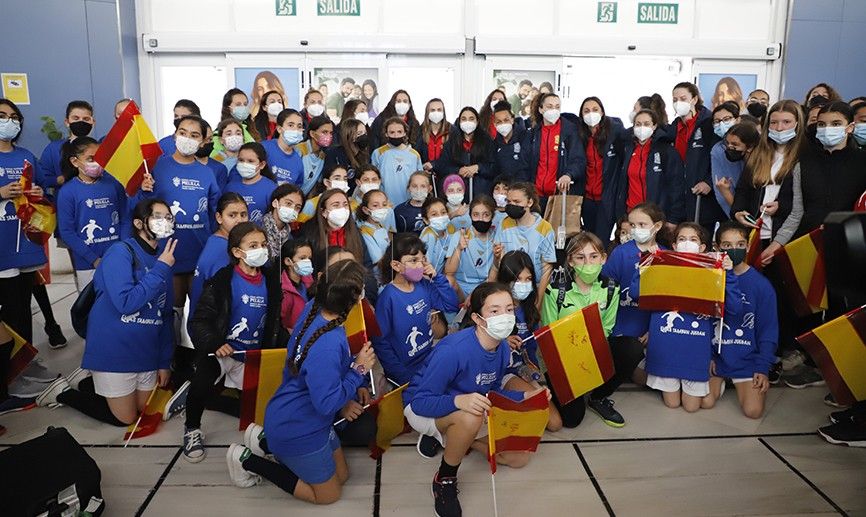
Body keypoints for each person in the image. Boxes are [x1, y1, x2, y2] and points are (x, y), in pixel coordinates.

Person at [225, 260, 375, 505]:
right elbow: (327, 404)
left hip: (299, 414)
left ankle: (264, 441)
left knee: (343, 476)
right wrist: (359, 370)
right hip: (299, 428)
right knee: (329, 496)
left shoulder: (313, 307)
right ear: (355, 299)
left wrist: (353, 373)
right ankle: (248, 461)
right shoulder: (328, 343)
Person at [403, 282, 541, 517]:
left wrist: (526, 395)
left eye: (509, 309)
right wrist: (459, 402)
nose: (505, 316)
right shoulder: (453, 350)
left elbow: (492, 391)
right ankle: (445, 479)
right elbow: (420, 402)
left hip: (469, 407)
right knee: (470, 417)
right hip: (423, 408)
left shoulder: (502, 348)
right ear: (477, 318)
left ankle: (451, 438)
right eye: (494, 311)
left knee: (519, 458)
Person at [36, 199, 176, 426]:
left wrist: (164, 361)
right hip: (114, 347)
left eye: (169, 217)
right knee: (126, 418)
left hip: (145, 349)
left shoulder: (164, 259)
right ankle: (62, 393)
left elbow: (166, 313)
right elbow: (125, 303)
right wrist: (161, 269)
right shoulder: (120, 252)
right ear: (139, 223)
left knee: (145, 410)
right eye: (158, 217)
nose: (165, 222)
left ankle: (87, 382)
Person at [180, 222, 282, 462]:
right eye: (253, 246)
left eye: (264, 245)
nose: (261, 250)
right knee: (201, 384)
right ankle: (192, 428)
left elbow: (273, 321)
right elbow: (200, 320)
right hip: (222, 352)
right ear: (237, 252)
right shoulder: (222, 281)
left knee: (262, 402)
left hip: (252, 354)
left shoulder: (271, 281)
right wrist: (215, 343)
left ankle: (262, 435)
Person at [635, 222, 741, 412]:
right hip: (666, 347)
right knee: (672, 403)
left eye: (693, 239)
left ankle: (716, 381)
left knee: (692, 407)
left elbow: (734, 308)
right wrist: (646, 265)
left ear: (702, 247)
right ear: (674, 245)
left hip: (695, 349)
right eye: (682, 239)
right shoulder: (662, 266)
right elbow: (636, 293)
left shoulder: (712, 271)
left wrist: (729, 274)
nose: (687, 243)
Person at [142, 115, 221, 360]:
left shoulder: (207, 173)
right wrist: (144, 191)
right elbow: (142, 208)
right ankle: (172, 359)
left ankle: (199, 361)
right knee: (171, 311)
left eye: (194, 135)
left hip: (199, 252)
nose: (187, 138)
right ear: (175, 134)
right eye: (183, 132)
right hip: (168, 251)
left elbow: (213, 211)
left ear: (203, 141)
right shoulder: (157, 167)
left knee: (199, 311)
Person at [541, 232, 628, 427]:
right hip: (565, 357)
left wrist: (591, 353)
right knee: (572, 420)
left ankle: (598, 396)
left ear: (603, 258)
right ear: (571, 261)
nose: (588, 263)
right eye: (580, 257)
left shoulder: (611, 288)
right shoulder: (555, 290)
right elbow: (549, 333)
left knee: (631, 348)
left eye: (593, 256)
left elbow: (607, 328)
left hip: (594, 349)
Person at [703, 221, 778, 419]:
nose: (734, 249)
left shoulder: (761, 285)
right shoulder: (710, 278)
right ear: (717, 247)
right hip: (717, 358)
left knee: (753, 412)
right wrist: (708, 355)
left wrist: (763, 367)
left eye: (740, 244)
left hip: (747, 359)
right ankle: (721, 382)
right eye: (727, 245)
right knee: (705, 402)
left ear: (748, 246)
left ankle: (738, 381)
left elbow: (768, 330)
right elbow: (705, 321)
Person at [374, 234, 459, 385]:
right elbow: (381, 343)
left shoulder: (424, 285)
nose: (420, 265)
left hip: (429, 358)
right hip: (406, 369)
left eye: (422, 260)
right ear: (396, 265)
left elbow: (451, 305)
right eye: (413, 261)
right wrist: (402, 376)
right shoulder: (387, 298)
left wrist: (437, 278)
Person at [601, 203, 669, 388]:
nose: (636, 229)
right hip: (623, 325)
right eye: (632, 225)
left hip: (653, 327)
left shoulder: (667, 256)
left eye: (642, 224)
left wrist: (653, 330)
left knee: (660, 377)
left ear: (657, 226)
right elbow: (606, 290)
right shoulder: (620, 253)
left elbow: (668, 301)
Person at [731, 100, 805, 264]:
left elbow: (806, 200)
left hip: (786, 237)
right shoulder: (758, 154)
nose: (779, 128)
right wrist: (737, 212)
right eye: (774, 122)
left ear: (797, 124)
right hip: (755, 234)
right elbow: (742, 190)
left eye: (786, 122)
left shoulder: (805, 157)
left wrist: (782, 206)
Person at [0, 98, 47, 350]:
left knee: (23, 305)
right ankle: (8, 360)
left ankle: (26, 358)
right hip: (3, 246)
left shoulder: (26, 156)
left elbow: (41, 189)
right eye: (2, 116)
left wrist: (38, 192)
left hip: (25, 242)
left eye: (14, 117)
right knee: (8, 307)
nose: (9, 121)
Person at [56, 136, 127, 291]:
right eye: (90, 159)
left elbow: (125, 219)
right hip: (87, 264)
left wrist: (123, 250)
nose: (97, 162)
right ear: (75, 161)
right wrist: (93, 259)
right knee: (91, 303)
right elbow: (67, 232)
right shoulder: (67, 192)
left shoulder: (114, 185)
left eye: (100, 157)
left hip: (118, 259)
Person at [797, 101, 866, 236]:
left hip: (849, 236)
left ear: (850, 127)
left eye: (836, 124)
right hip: (807, 237)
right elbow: (796, 208)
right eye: (822, 124)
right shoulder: (804, 160)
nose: (827, 129)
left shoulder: (862, 160)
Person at [188, 193, 249, 332]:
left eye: (243, 215)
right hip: (212, 330)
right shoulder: (221, 249)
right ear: (219, 218)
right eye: (232, 215)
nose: (239, 220)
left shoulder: (225, 243)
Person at [613, 109, 686, 226]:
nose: (642, 127)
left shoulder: (666, 151)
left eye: (646, 124)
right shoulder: (627, 149)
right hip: (631, 215)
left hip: (656, 216)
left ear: (654, 126)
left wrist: (674, 219)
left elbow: (676, 186)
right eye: (638, 124)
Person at [671, 82, 724, 231]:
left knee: (701, 236)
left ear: (694, 99)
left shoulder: (709, 123)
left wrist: (709, 182)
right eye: (675, 100)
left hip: (703, 197)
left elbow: (720, 158)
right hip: (680, 195)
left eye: (683, 98)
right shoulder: (674, 127)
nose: (678, 103)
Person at [491, 182, 556, 298]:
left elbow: (546, 270)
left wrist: (538, 301)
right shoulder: (504, 223)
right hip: (510, 286)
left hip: (534, 287)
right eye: (509, 202)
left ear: (529, 202)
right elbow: (498, 264)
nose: (512, 205)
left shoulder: (545, 228)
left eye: (516, 202)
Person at [525, 92, 586, 206]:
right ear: (541, 109)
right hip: (536, 195)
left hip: (559, 195)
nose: (554, 110)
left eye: (557, 107)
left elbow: (578, 160)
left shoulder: (570, 131)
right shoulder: (534, 133)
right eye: (549, 106)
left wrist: (569, 174)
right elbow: (526, 162)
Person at [579, 96, 625, 240]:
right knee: (588, 239)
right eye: (586, 111)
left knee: (601, 240)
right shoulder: (580, 135)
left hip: (606, 198)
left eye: (595, 109)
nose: (591, 114)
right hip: (587, 198)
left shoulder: (614, 133)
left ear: (602, 112)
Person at [433, 106, 496, 199]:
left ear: (477, 121)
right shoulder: (451, 141)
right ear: (459, 121)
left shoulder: (487, 140)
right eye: (464, 119)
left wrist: (478, 167)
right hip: (457, 191)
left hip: (481, 192)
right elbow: (442, 166)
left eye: (471, 119)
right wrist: (458, 170)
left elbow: (494, 166)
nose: (467, 122)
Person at [445, 195, 496, 300]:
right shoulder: (460, 235)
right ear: (470, 216)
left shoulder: (496, 237)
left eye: (486, 215)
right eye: (476, 215)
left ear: (492, 216)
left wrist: (476, 294)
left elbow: (495, 272)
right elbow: (448, 271)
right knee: (448, 281)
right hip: (460, 287)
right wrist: (459, 248)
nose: (481, 219)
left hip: (484, 288)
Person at [38, 100, 95, 194]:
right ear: (67, 122)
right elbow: (41, 178)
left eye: (86, 119)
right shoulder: (54, 149)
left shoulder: (99, 149)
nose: (81, 122)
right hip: (64, 198)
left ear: (93, 122)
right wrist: (61, 179)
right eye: (76, 118)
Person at [300, 188, 365, 262]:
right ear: (323, 211)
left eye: (345, 204)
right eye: (336, 205)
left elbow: (366, 262)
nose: (342, 209)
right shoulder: (309, 233)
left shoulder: (355, 231)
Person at [712, 122, 760, 218]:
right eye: (727, 143)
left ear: (750, 147)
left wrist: (725, 192)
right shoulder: (746, 164)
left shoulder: (755, 170)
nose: (729, 147)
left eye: (735, 144)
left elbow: (744, 213)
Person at [373, 117, 424, 206]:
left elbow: (420, 179)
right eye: (392, 132)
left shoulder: (414, 155)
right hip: (385, 204)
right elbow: (373, 179)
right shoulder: (378, 153)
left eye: (399, 132)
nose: (396, 135)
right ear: (386, 134)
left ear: (405, 133)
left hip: (409, 203)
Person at [224, 142, 278, 224]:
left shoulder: (271, 188)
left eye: (250, 161)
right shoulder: (230, 187)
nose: (244, 164)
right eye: (241, 160)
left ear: (262, 165)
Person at [324, 118, 370, 191]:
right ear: (348, 135)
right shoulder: (334, 153)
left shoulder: (365, 156)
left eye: (365, 133)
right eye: (359, 133)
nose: (363, 136)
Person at [261, 109, 305, 186]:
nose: (295, 130)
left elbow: (296, 188)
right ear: (279, 129)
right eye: (290, 125)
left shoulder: (298, 162)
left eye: (299, 126)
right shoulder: (263, 148)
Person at [279, 238, 314, 333]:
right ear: (288, 261)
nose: (307, 262)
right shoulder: (281, 289)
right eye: (302, 258)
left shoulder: (310, 281)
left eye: (309, 258)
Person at [262, 183, 304, 261]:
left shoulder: (291, 238)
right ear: (275, 203)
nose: (292, 209)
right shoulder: (259, 228)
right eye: (288, 203)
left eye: (297, 207)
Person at [491, 101, 530, 183]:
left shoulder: (525, 137)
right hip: (503, 187)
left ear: (512, 120)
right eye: (499, 122)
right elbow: (494, 169)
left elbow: (528, 165)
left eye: (506, 120)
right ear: (494, 124)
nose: (503, 124)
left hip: (523, 185)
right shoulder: (494, 144)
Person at [296, 115, 335, 195]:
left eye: (330, 133)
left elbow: (314, 185)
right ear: (312, 134)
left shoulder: (323, 156)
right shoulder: (299, 150)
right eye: (324, 132)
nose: (329, 136)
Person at [419, 197, 458, 274]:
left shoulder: (449, 230)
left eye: (443, 212)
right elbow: (424, 266)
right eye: (434, 214)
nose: (440, 217)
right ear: (426, 220)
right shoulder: (429, 236)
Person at [356, 188, 393, 269]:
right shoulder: (365, 232)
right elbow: (377, 259)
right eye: (375, 205)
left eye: (384, 205)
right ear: (366, 210)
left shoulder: (381, 226)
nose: (381, 208)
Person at [417, 99, 451, 174]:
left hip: (446, 173)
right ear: (427, 113)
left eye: (439, 110)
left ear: (444, 112)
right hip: (424, 173)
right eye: (432, 110)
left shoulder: (452, 131)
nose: (436, 113)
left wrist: (434, 165)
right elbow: (416, 154)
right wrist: (423, 167)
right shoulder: (420, 131)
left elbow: (453, 157)